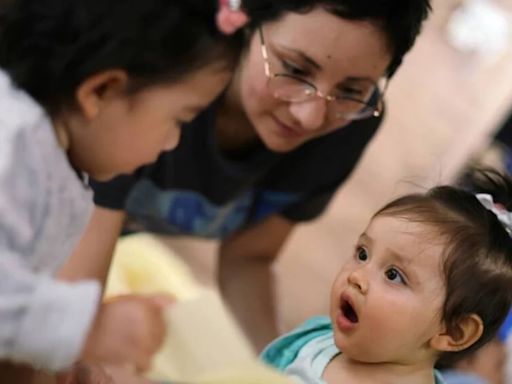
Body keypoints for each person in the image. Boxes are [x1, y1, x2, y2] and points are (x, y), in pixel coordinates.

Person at [62, 0, 433, 350]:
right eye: (295, 69)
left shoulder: (349, 126)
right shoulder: (165, 62)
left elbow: (249, 256)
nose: (311, 116)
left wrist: (281, 366)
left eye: (352, 90)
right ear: (242, 22)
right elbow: (68, 313)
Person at [0, 0, 246, 380]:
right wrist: (89, 329)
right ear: (101, 91)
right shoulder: (11, 144)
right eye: (178, 120)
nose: (171, 143)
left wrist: (56, 357)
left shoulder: (56, 157)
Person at [261, 170, 512, 384]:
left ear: (454, 331)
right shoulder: (315, 340)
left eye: (393, 275)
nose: (357, 276)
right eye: (362, 253)